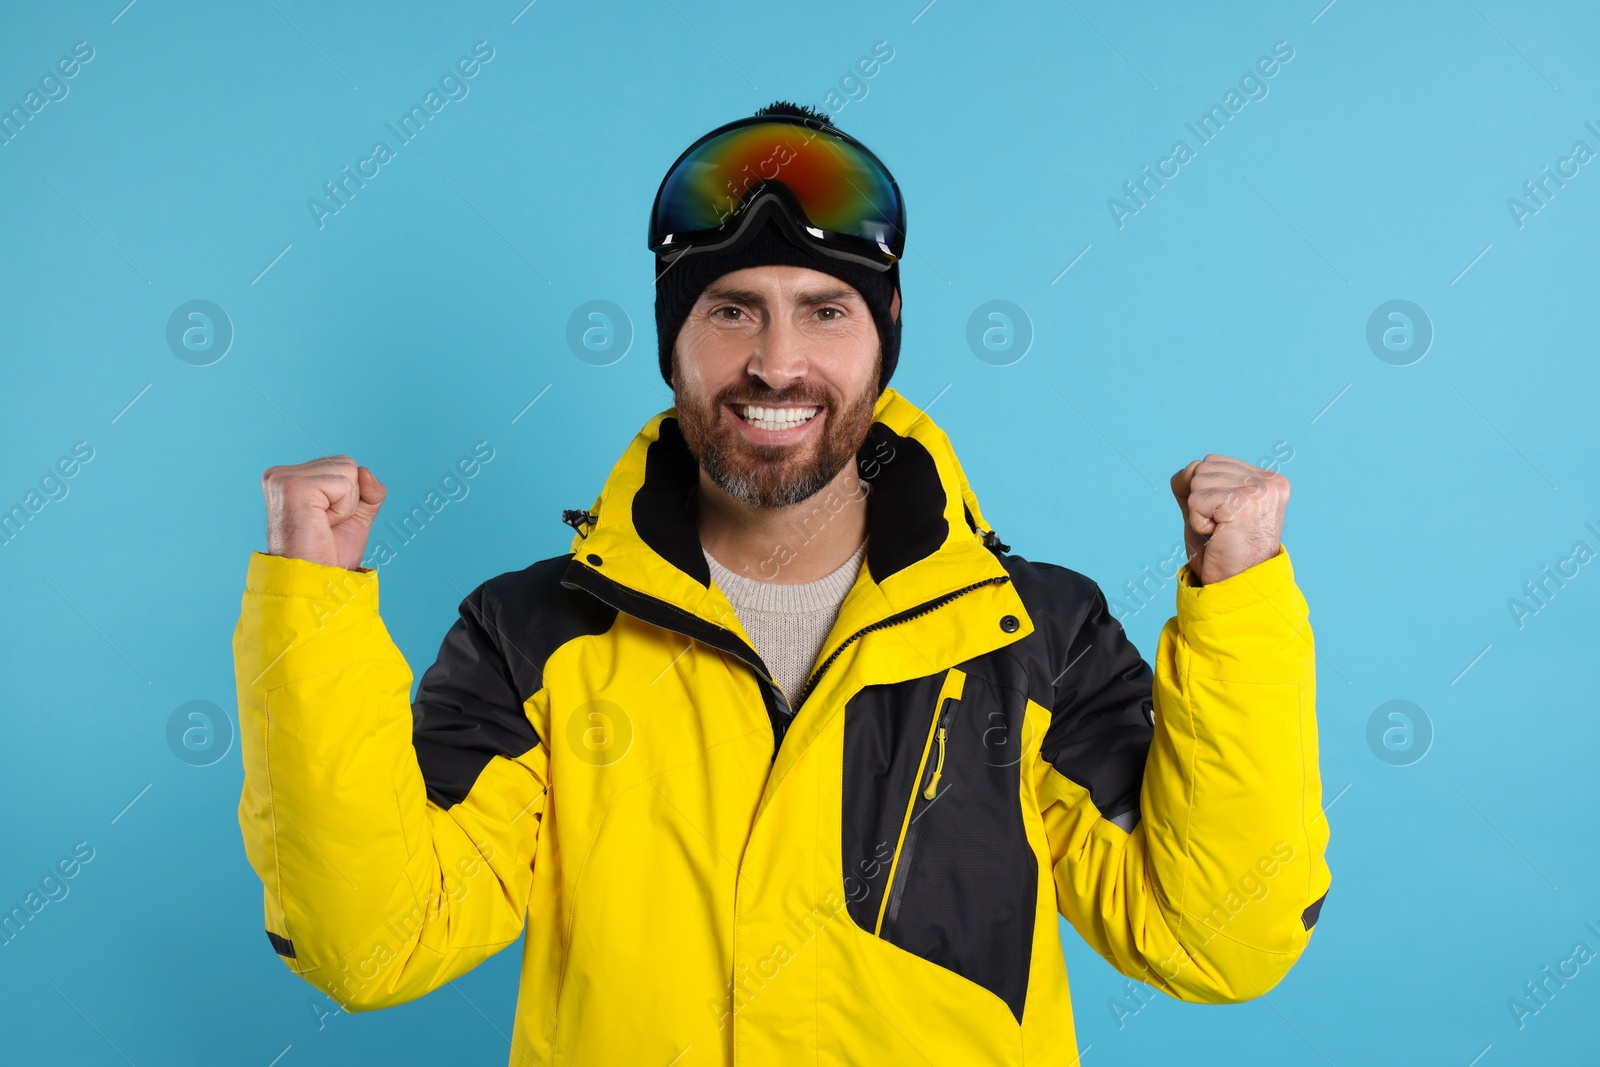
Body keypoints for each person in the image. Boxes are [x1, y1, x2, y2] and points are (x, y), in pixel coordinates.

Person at [233, 100, 1329, 1065]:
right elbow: (369, 943)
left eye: (824, 308)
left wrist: (1238, 605)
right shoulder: (537, 634)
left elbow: (1213, 935)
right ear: (674, 341)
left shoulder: (1030, 634)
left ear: (884, 331)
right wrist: (309, 612)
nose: (774, 360)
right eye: (730, 308)